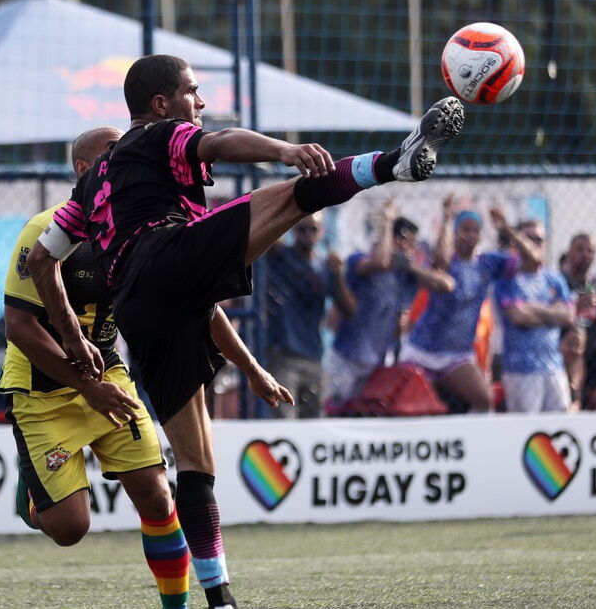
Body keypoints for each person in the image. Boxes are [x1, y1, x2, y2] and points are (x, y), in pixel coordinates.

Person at [26, 54, 464, 609]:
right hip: (166, 255)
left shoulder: (87, 189)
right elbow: (219, 142)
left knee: (195, 464)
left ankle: (221, 599)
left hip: (141, 311)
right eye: (192, 90)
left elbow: (42, 261)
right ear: (161, 104)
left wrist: (73, 335)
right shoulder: (156, 135)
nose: (200, 101)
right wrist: (284, 150)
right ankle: (392, 163)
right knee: (295, 192)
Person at [1, 126, 190, 609]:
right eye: (114, 152)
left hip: (107, 374)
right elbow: (18, 326)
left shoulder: (133, 227)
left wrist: (246, 364)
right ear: (86, 170)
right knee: (70, 528)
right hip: (42, 388)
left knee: (158, 498)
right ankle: (34, 493)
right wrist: (86, 388)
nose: (127, 158)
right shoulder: (42, 230)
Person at [400, 198, 537, 413]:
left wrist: (506, 229)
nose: (470, 235)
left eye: (475, 230)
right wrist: (446, 219)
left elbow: (533, 261)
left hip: (457, 355)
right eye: (464, 229)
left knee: (484, 399)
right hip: (422, 350)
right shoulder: (447, 260)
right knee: (413, 406)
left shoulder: (487, 263)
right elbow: (439, 262)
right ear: (455, 232)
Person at [325, 200, 456, 408]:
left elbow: (446, 285)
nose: (411, 249)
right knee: (337, 409)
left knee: (368, 412)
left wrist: (411, 266)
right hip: (348, 357)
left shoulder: (406, 273)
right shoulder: (360, 260)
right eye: (407, 242)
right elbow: (381, 262)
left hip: (379, 361)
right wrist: (388, 220)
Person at [264, 212, 356, 418]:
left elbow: (349, 310)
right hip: (284, 354)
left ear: (321, 232)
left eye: (313, 229)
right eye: (302, 229)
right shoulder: (281, 257)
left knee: (313, 422)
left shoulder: (325, 267)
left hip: (313, 354)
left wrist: (338, 276)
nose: (307, 234)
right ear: (293, 231)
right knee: (284, 418)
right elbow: (269, 235)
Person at [494, 220, 575, 413]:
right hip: (521, 369)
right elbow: (518, 317)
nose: (534, 244)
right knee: (527, 427)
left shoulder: (554, 279)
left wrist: (533, 308)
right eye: (528, 239)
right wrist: (552, 312)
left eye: (539, 239)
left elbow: (568, 316)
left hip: (554, 367)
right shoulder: (507, 280)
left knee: (561, 421)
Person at [560, 233, 596, 328]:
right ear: (569, 253)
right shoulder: (558, 283)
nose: (585, 255)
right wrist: (578, 305)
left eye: (590, 251)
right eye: (579, 249)